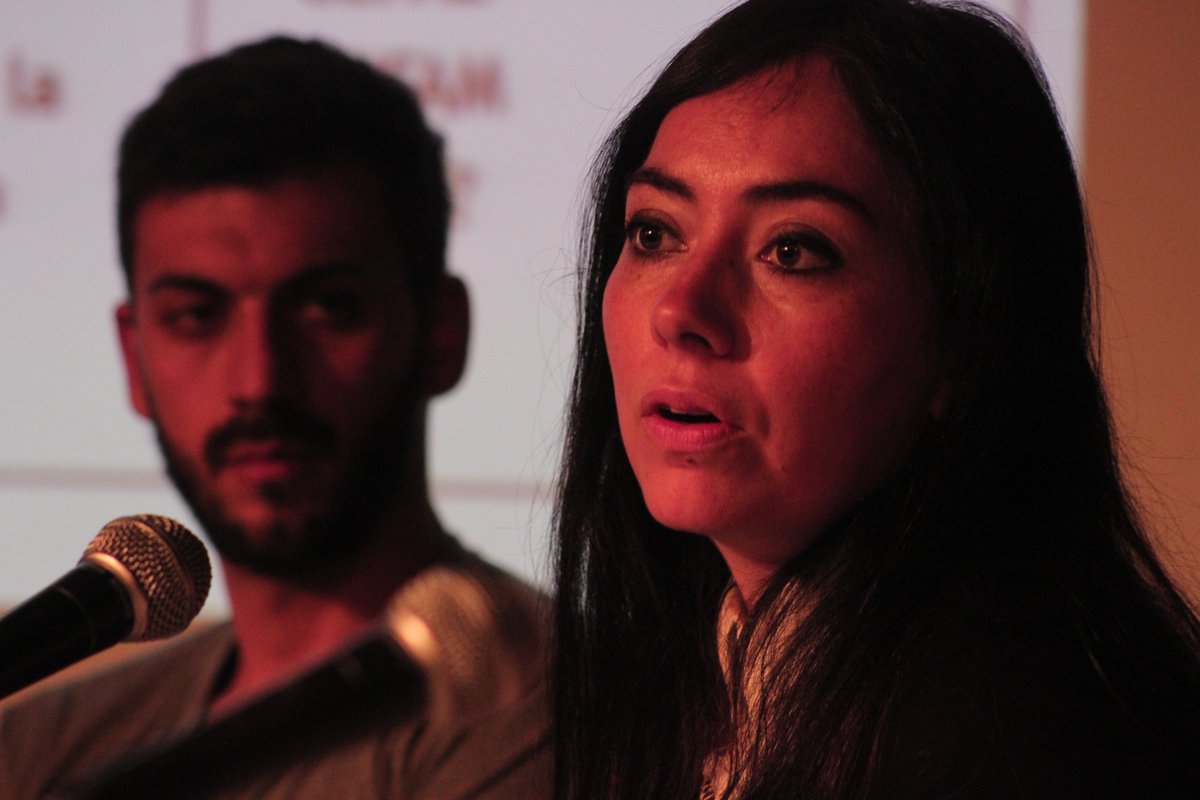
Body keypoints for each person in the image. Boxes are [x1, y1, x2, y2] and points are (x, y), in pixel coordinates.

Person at [551, 1, 1200, 798]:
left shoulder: (1014, 737)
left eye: (793, 250)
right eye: (655, 233)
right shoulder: (721, 685)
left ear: (965, 339)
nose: (681, 311)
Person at [0, 37, 549, 799]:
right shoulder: (44, 742)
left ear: (440, 332)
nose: (258, 381)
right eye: (198, 316)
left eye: (327, 308)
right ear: (133, 357)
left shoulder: (548, 707)